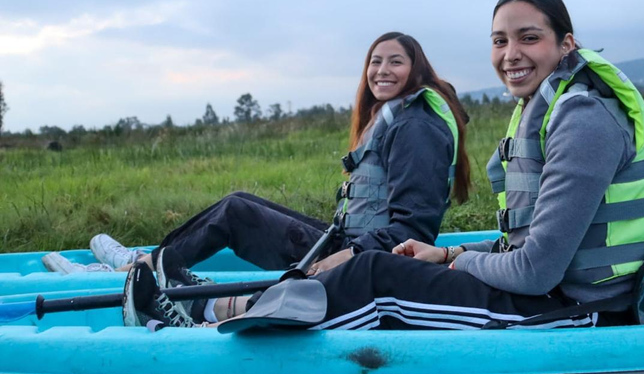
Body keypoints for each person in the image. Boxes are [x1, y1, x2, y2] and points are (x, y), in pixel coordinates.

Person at [124, 0, 644, 330]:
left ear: (566, 45)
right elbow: (523, 243)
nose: (510, 55)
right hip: (546, 291)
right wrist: (446, 257)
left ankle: (206, 321)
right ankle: (196, 297)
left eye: (529, 38)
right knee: (369, 264)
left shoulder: (584, 120)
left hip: (572, 310)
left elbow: (533, 268)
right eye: (500, 41)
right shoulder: (546, 109)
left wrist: (456, 258)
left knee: (372, 279)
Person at [71, 31, 470, 326]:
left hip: (365, 260)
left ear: (415, 69)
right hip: (351, 243)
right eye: (376, 61)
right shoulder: (398, 119)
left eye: (395, 61)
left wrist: (335, 259)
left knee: (235, 212)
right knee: (239, 203)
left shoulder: (417, 128)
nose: (382, 70)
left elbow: (411, 230)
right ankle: (150, 261)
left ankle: (146, 266)